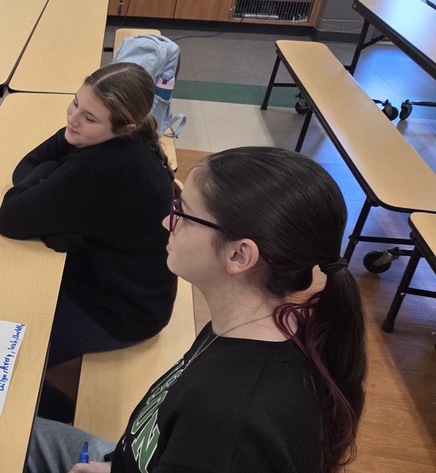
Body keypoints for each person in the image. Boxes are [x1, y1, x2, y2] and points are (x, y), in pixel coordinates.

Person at [26, 147, 367, 473]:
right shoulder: (253, 324)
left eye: (182, 214)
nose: (165, 222)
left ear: (239, 256)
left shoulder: (227, 423)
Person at [0, 62, 177, 419]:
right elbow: (30, 164)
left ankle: (50, 423)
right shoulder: (102, 135)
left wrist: (52, 189)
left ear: (126, 127)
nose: (74, 119)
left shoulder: (106, 165)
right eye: (75, 103)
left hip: (119, 311)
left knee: (4, 357)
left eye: (90, 117)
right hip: (114, 282)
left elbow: (11, 219)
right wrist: (54, 184)